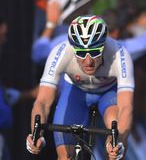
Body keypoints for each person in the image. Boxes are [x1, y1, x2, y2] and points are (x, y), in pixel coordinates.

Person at [26, 15, 135, 160]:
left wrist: (119, 141)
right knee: (65, 156)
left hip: (108, 94)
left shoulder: (119, 54)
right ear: (73, 48)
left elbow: (126, 108)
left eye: (95, 52)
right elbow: (43, 102)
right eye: (81, 53)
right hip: (76, 92)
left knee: (114, 139)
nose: (88, 61)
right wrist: (36, 135)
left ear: (104, 46)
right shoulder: (61, 52)